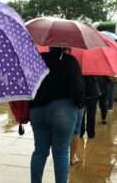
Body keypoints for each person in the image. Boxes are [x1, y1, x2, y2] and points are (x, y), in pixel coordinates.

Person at [29, 47, 85, 183]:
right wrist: (79, 105)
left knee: (39, 151)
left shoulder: (37, 58)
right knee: (61, 153)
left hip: (37, 110)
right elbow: (78, 89)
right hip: (64, 112)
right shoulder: (70, 61)